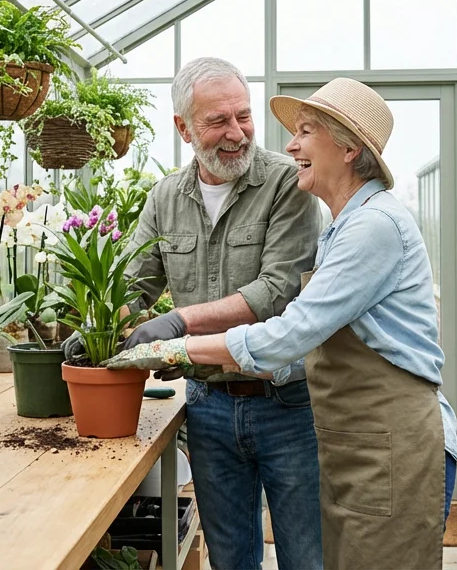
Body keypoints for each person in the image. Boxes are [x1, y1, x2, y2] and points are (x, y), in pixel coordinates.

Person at [107, 78, 457, 570]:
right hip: (356, 439)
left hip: (389, 442)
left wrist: (182, 347)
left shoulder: (373, 226)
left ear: (349, 149)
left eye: (306, 131)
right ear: (184, 128)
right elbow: (315, 342)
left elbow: (292, 329)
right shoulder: (345, 224)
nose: (290, 143)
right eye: (218, 120)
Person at [86, 57, 325, 570]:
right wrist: (96, 329)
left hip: (289, 405)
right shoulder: (166, 197)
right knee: (230, 559)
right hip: (209, 406)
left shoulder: (289, 184)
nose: (236, 133)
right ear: (183, 127)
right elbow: (132, 282)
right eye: (218, 121)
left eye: (243, 115)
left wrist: (179, 325)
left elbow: (277, 290)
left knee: (307, 558)